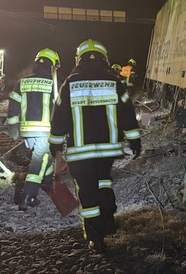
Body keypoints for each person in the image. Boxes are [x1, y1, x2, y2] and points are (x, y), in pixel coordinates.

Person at [49, 39, 141, 254]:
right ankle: (108, 215)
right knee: (103, 181)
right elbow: (127, 113)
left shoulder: (70, 84)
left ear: (78, 60)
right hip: (107, 151)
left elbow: (59, 118)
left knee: (87, 194)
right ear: (104, 59)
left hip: (81, 153)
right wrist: (134, 140)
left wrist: (55, 145)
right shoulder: (114, 82)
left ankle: (95, 238)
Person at [6, 48, 61, 211]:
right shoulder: (54, 84)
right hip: (45, 131)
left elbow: (13, 105)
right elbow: (60, 109)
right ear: (52, 66)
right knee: (39, 162)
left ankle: (48, 183)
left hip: (27, 131)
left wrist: (13, 127)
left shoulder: (22, 82)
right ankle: (28, 197)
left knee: (46, 158)